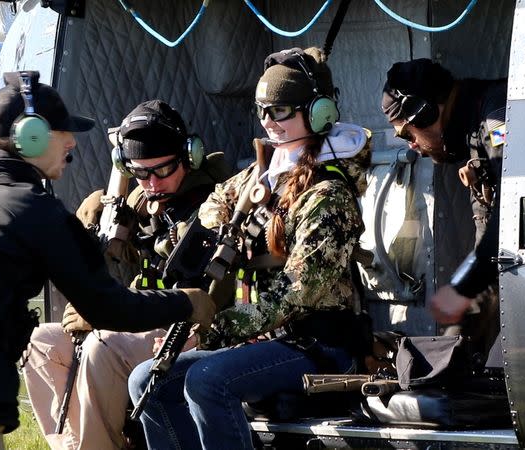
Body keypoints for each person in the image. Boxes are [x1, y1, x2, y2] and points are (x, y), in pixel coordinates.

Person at [0, 72, 215, 450]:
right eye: (64, 133)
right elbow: (111, 309)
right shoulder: (38, 212)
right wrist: (187, 301)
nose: (73, 143)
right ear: (34, 137)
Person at [128, 46, 372, 450]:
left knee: (207, 381)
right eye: (261, 111)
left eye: (279, 111)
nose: (268, 122)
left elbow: (297, 292)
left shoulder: (329, 194)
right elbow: (213, 204)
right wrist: (221, 233)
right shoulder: (267, 174)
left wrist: (212, 329)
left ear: (317, 113)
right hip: (263, 338)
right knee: (147, 380)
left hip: (318, 343)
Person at [23, 99, 232, 450]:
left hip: (190, 324)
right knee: (41, 344)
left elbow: (203, 295)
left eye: (162, 171)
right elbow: (123, 251)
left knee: (102, 345)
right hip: (145, 316)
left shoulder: (211, 205)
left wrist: (107, 313)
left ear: (189, 157)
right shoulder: (142, 202)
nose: (151, 182)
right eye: (140, 172)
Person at [381, 59, 506, 359]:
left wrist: (463, 288)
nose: (410, 145)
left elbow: (510, 220)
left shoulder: (496, 122)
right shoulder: (476, 131)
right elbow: (489, 249)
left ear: (425, 113)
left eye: (407, 134)